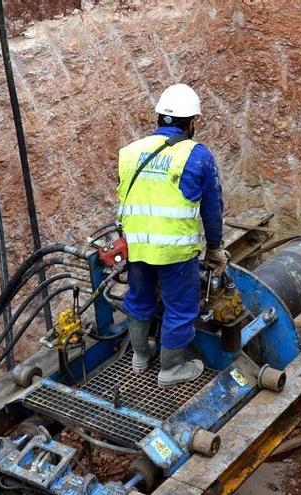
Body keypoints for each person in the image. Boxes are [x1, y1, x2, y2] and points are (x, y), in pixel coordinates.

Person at [116, 83, 228, 388]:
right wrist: (215, 248)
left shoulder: (130, 152)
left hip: (137, 246)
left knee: (138, 298)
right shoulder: (197, 156)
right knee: (180, 306)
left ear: (159, 117)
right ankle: (170, 369)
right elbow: (212, 208)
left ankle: (140, 356)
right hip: (176, 253)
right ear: (192, 122)